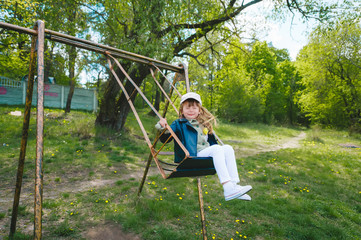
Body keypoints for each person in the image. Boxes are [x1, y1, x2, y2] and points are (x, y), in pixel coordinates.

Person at [155, 92, 252, 201]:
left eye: (194, 108)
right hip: (192, 156)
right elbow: (164, 139)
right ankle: (227, 187)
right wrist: (162, 126)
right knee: (217, 149)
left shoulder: (203, 123)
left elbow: (212, 141)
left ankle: (234, 186)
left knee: (228, 148)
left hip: (205, 153)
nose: (191, 110)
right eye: (187, 108)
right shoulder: (179, 123)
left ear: (199, 110)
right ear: (182, 111)